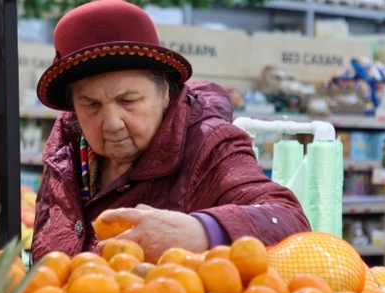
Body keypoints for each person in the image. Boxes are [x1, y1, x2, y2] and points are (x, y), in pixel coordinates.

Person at [31, 0, 310, 264]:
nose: (112, 123)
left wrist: (201, 231)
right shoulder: (65, 155)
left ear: (165, 91)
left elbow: (288, 219)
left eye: (128, 101)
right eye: (91, 104)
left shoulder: (209, 145)